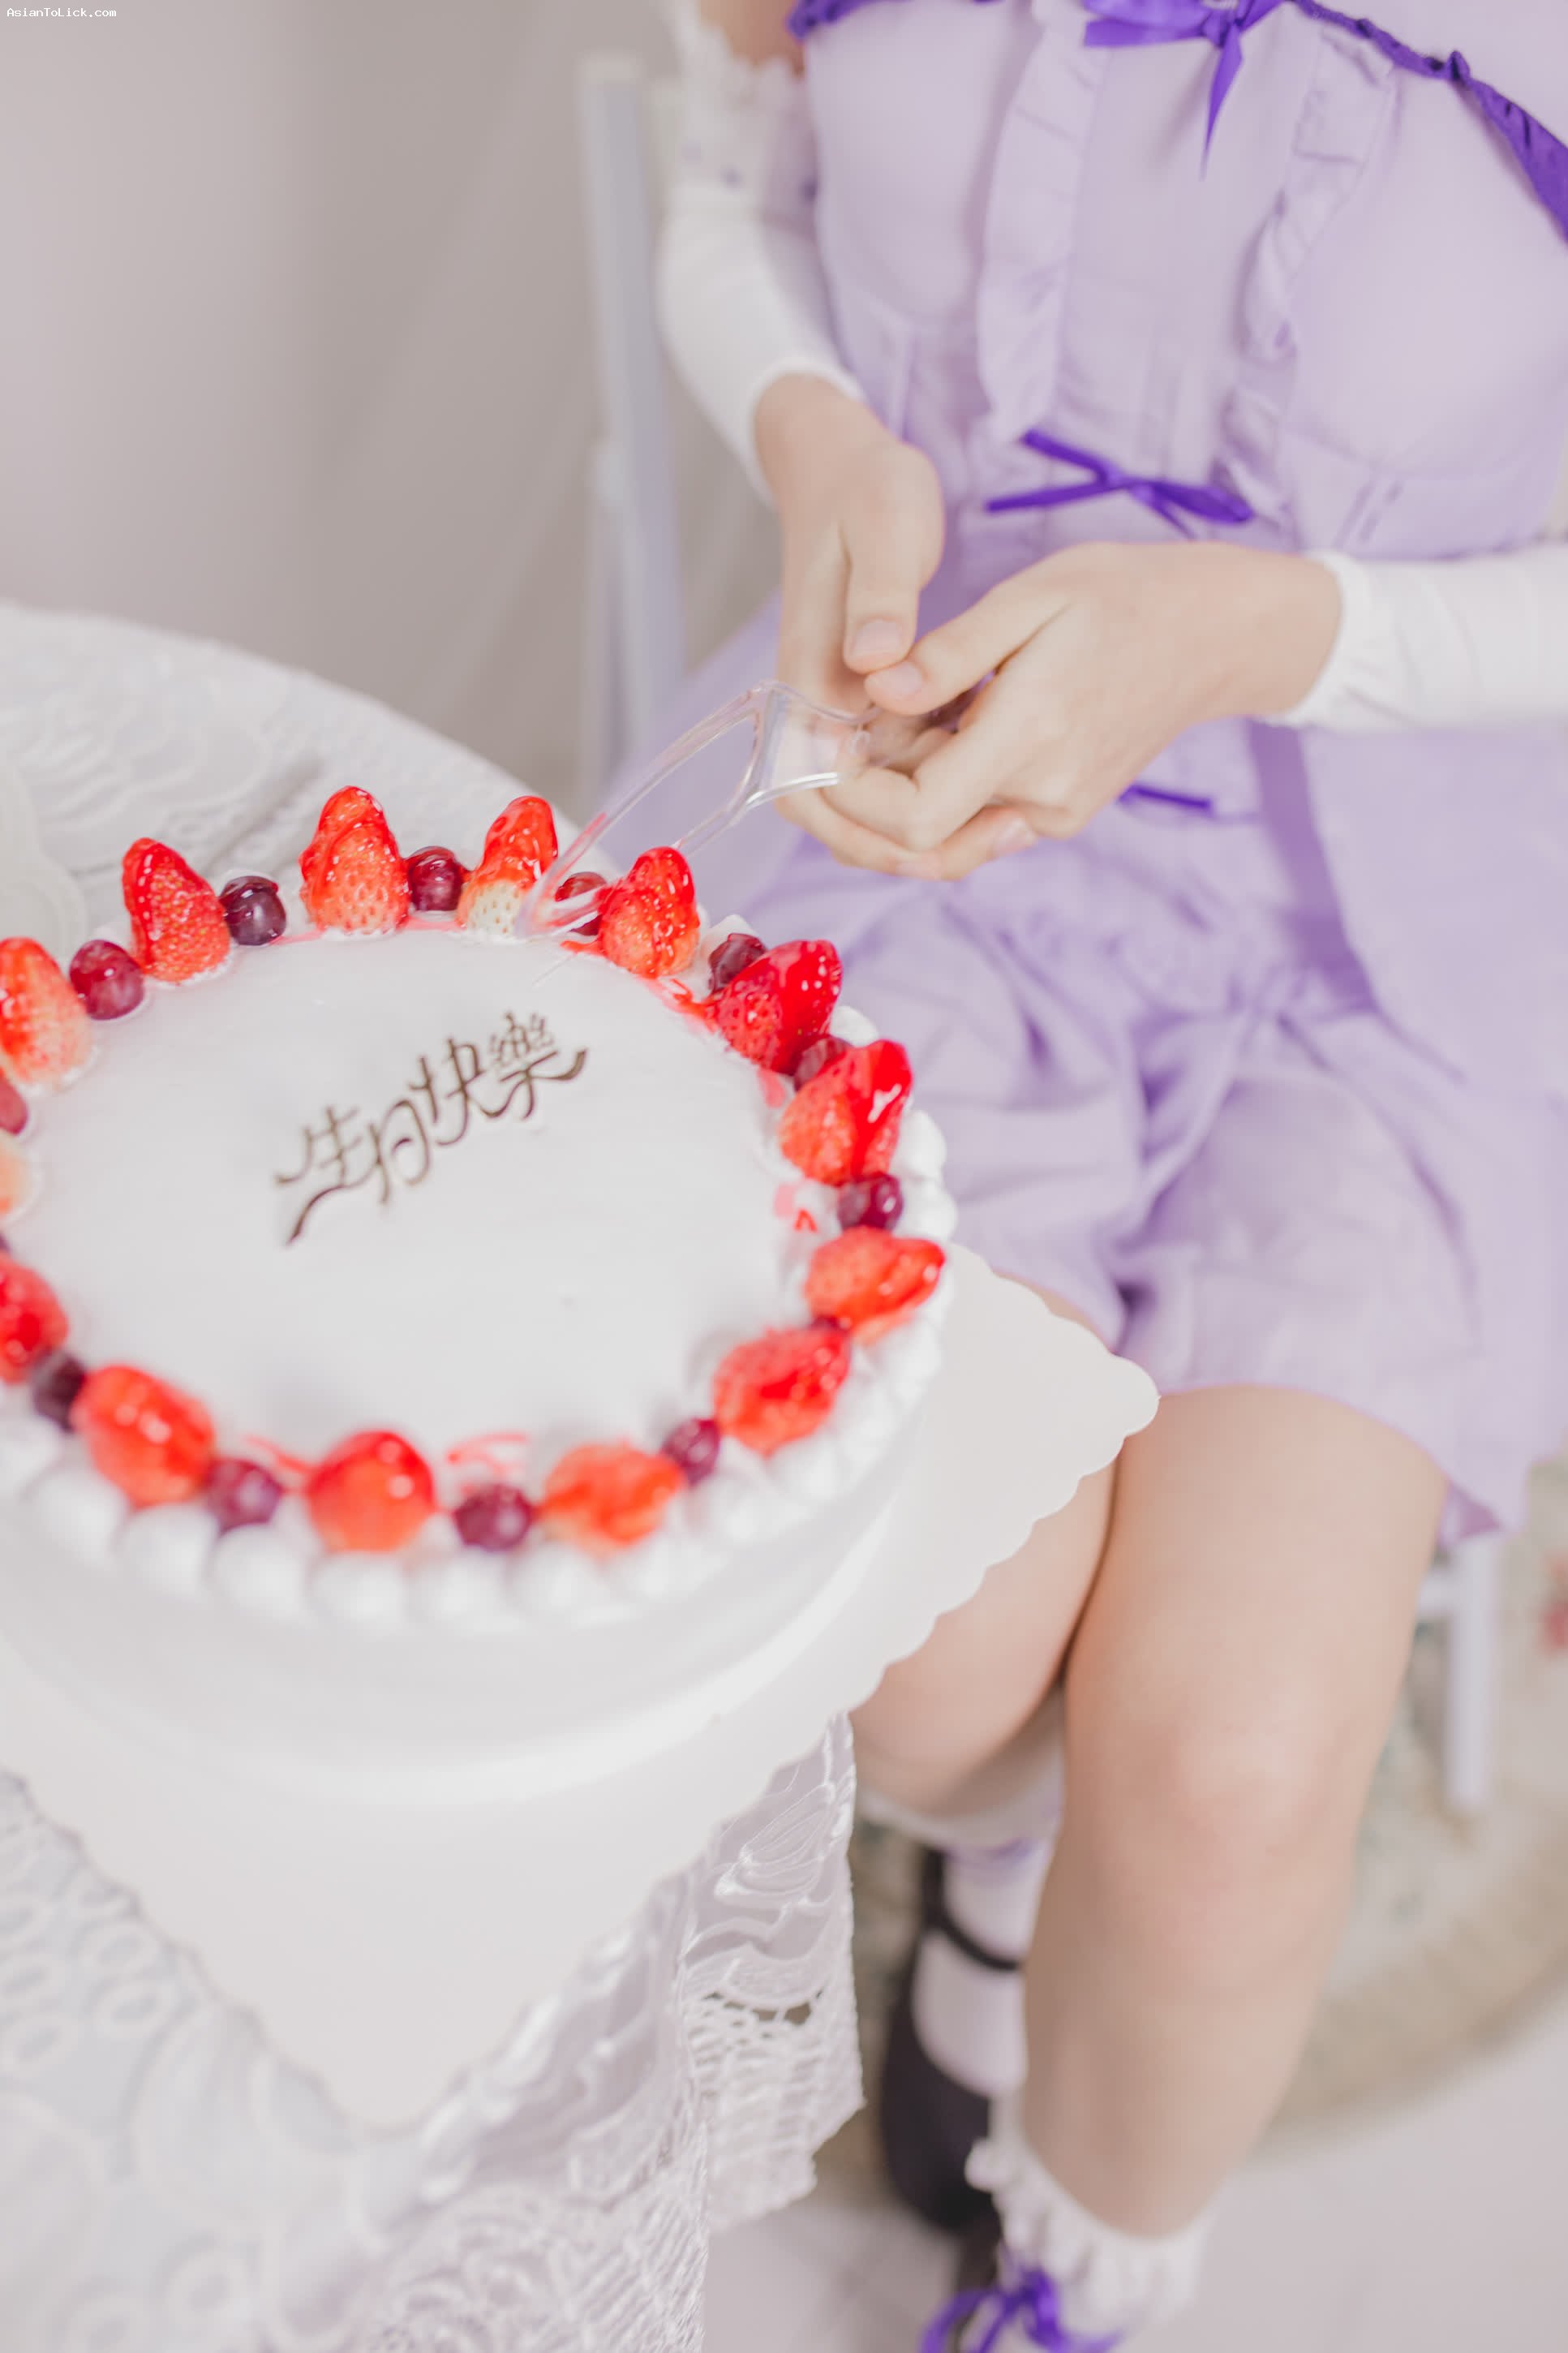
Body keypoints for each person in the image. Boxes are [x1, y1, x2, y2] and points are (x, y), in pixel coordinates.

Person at [652, 2, 1568, 2342]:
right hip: (929, 835)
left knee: (1234, 1774)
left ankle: (1078, 2297)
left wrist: (1272, 627)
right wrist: (819, 432)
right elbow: (727, 179)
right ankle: (1013, 1850)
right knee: (932, 1652)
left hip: (1391, 940)